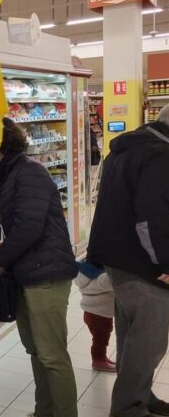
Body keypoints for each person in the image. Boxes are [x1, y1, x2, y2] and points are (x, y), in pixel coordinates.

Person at [0, 117, 78, 417]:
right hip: (27, 273)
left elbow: (28, 228)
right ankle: (45, 412)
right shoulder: (9, 173)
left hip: (46, 274)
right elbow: (8, 228)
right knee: (36, 351)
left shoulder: (29, 173)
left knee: (52, 355)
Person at [87, 104, 169, 417]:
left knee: (131, 335)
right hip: (142, 264)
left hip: (117, 258)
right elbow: (151, 219)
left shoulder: (127, 149)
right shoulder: (159, 156)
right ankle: (127, 408)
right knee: (149, 341)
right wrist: (165, 264)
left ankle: (141, 396)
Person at [73, 260, 115, 372]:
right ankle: (98, 361)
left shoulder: (84, 274)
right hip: (99, 314)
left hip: (91, 312)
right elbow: (114, 281)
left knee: (99, 338)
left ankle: (102, 358)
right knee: (101, 339)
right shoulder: (101, 278)